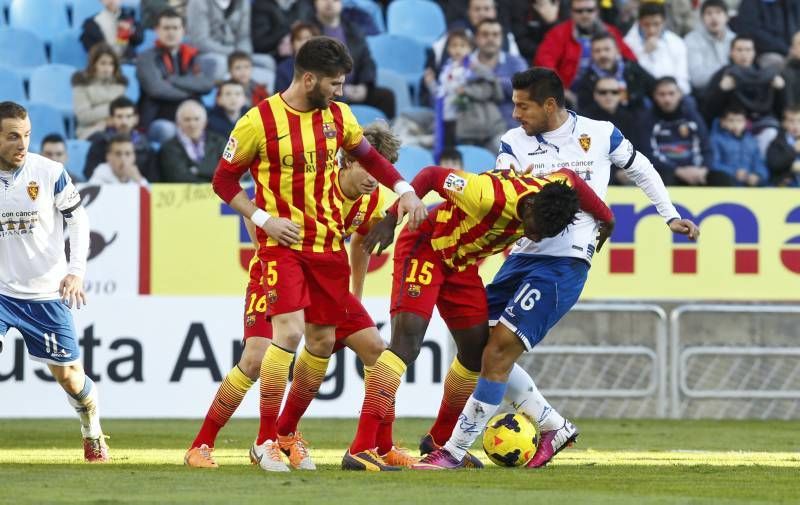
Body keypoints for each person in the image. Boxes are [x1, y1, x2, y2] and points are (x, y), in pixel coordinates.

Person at [410, 68, 698, 470]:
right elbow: (503, 189)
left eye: (522, 105)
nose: (515, 115)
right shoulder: (513, 143)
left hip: (565, 262)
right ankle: (552, 425)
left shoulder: (600, 133)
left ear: (549, 105)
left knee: (496, 352)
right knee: (475, 345)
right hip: (521, 256)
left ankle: (453, 452)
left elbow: (640, 168)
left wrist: (669, 216)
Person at [210, 36, 426, 473]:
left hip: (328, 253)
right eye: (334, 83)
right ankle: (264, 441)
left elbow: (374, 159)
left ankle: (292, 435)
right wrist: (264, 219)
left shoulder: (339, 118)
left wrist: (403, 189)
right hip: (282, 245)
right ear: (308, 78)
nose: (340, 91)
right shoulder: (259, 121)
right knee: (284, 337)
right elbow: (223, 182)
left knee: (323, 342)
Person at [349, 143, 615, 473]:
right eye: (531, 226)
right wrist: (392, 217)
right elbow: (432, 175)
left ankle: (440, 442)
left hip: (461, 266)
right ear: (529, 203)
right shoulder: (486, 193)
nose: (531, 234)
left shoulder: (551, 193)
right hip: (426, 246)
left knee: (477, 354)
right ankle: (361, 448)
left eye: (540, 234)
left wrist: (607, 219)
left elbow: (574, 178)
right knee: (407, 345)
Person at [186, 122, 415, 470]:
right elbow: (256, 213)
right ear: (345, 161)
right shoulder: (310, 186)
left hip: (325, 281)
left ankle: (370, 445)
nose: (373, 178)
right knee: (256, 357)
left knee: (376, 351)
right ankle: (201, 445)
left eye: (379, 171)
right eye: (367, 167)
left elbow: (362, 244)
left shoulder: (369, 201)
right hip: (274, 273)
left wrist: (354, 297)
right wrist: (271, 261)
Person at [0, 101, 107, 462]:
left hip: (44, 292)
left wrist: (76, 271)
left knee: (71, 380)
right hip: (1, 291)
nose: (22, 144)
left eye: (26, 135)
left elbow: (78, 221)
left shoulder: (48, 172)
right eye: (13, 136)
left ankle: (91, 426)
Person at [309, 0, 396, 119]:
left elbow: (367, 61)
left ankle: (384, 136)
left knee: (386, 97)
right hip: (325, 90)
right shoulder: (308, 30)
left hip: (354, 88)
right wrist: (339, 87)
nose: (329, 2)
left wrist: (364, 86)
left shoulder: (353, 29)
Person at [136, 8, 215, 129]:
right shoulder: (146, 58)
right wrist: (192, 94)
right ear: (157, 30)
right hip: (159, 116)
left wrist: (172, 80)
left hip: (192, 115)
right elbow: (156, 89)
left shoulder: (193, 54)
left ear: (183, 30)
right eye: (166, 28)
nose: (171, 33)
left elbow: (206, 84)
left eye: (175, 28)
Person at [534, 0, 635, 91]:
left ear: (597, 11)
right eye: (579, 11)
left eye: (589, 10)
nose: (584, 14)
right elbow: (543, 63)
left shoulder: (610, 31)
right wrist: (559, 90)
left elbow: (631, 60)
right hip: (572, 95)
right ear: (571, 12)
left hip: (611, 92)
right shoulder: (558, 33)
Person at [644, 77, 722, 186]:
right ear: (654, 96)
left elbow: (706, 148)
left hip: (696, 170)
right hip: (665, 171)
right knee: (662, 179)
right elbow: (647, 154)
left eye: (671, 94)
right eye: (662, 94)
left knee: (722, 179)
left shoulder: (693, 116)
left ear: (680, 94)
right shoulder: (646, 120)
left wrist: (703, 169)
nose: (667, 99)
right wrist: (678, 171)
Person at [185, 0, 276, 88]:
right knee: (221, 63)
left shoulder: (243, 2)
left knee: (267, 62)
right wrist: (233, 53)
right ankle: (222, 100)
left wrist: (244, 57)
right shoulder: (198, 2)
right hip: (206, 54)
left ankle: (260, 99)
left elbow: (244, 36)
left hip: (235, 53)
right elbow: (200, 42)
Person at [573, 33, 655, 112]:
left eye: (607, 49)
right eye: (597, 51)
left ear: (617, 50)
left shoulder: (632, 68)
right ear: (592, 54)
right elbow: (586, 112)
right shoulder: (586, 81)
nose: (602, 54)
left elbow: (654, 88)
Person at [85, 97, 157, 181]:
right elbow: (89, 173)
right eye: (119, 117)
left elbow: (153, 180)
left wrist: (138, 180)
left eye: (128, 116)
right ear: (111, 119)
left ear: (136, 119)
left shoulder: (147, 147)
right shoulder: (100, 142)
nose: (124, 122)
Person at [623, 2, 690, 95]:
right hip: (643, 94)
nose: (651, 30)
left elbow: (683, 78)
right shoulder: (628, 43)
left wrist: (673, 94)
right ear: (640, 22)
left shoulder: (677, 42)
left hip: (672, 94)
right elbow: (630, 75)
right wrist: (643, 53)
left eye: (656, 24)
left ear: (664, 22)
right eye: (646, 25)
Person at [159, 100, 227, 182]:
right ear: (178, 123)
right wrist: (210, 173)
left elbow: (228, 172)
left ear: (205, 122)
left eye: (196, 119)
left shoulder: (219, 142)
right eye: (187, 120)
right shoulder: (169, 147)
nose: (192, 124)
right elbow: (179, 177)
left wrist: (197, 170)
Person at [71, 43, 128, 140]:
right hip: (90, 131)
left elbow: (124, 113)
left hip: (117, 129)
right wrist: (112, 108)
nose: (107, 69)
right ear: (93, 64)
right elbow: (83, 117)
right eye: (103, 63)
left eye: (111, 64)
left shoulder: (119, 84)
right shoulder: (82, 83)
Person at [684, 0, 736, 95]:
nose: (714, 17)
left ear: (727, 17)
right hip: (707, 91)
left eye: (718, 12)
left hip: (733, 87)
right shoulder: (692, 40)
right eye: (709, 13)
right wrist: (725, 74)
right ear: (702, 18)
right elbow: (697, 79)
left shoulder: (734, 39)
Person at [710, 105, 767, 187]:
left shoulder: (752, 141)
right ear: (722, 122)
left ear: (745, 123)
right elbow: (713, 164)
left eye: (739, 121)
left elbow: (760, 163)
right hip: (726, 185)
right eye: (731, 120)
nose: (735, 124)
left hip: (750, 186)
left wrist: (758, 175)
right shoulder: (715, 140)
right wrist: (734, 172)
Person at [274, 22, 321, 93]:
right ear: (292, 44)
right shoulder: (283, 68)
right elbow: (280, 97)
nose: (303, 42)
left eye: (308, 38)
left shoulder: (326, 65)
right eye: (299, 39)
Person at [766, 106, 800, 187]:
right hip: (785, 188)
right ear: (784, 123)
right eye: (791, 121)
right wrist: (793, 150)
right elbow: (774, 165)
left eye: (799, 121)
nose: (796, 125)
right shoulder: (776, 142)